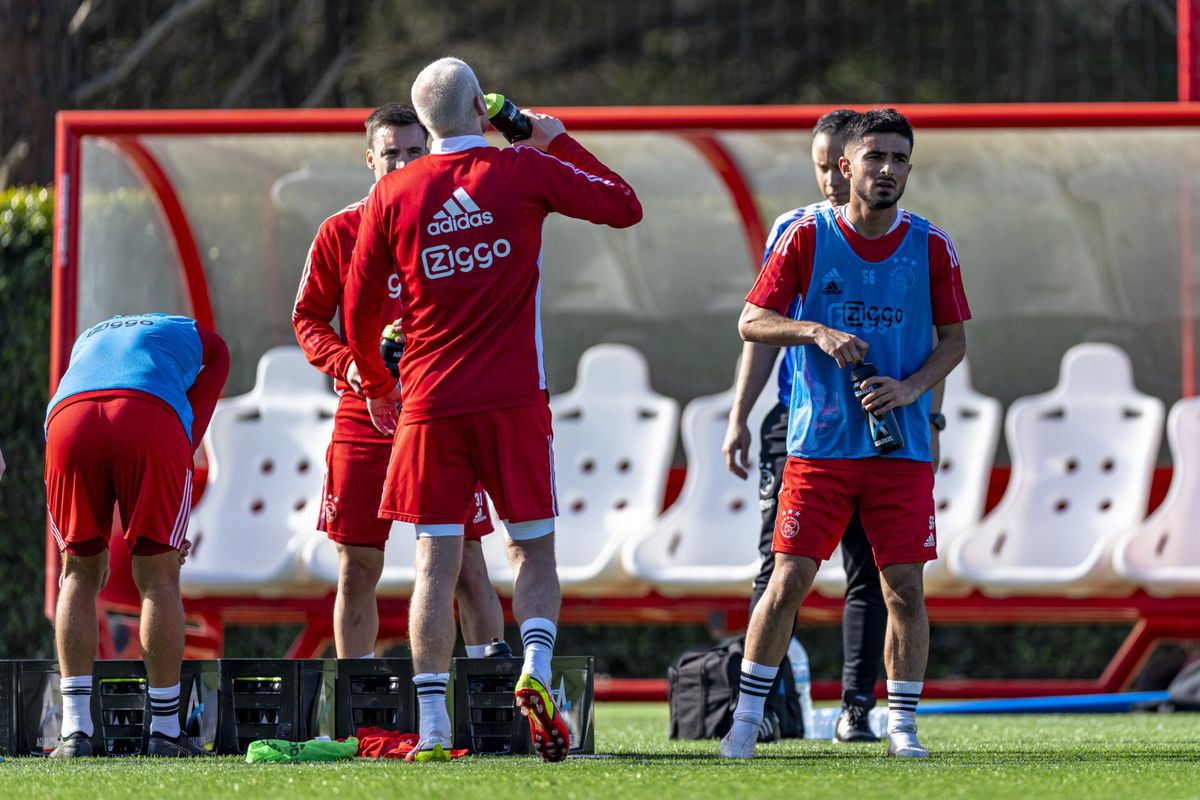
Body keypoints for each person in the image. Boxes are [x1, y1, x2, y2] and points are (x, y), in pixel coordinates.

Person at [343, 57, 642, 761]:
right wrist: (550, 137)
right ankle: (535, 666)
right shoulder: (523, 170)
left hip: (429, 405)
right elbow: (624, 205)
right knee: (531, 550)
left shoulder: (393, 193)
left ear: (423, 125)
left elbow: (357, 311)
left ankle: (436, 730)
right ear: (484, 106)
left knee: (433, 567)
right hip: (512, 402)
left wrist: (377, 388)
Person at [721, 109, 969, 760]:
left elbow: (955, 341)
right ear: (844, 168)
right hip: (819, 444)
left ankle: (900, 726)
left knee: (901, 589)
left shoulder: (932, 246)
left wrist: (912, 392)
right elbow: (753, 321)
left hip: (901, 449)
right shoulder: (805, 236)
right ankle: (745, 724)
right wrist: (817, 332)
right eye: (875, 158)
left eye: (899, 159)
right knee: (789, 578)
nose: (887, 170)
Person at [292, 102, 507, 661]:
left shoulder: (456, 220)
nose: (404, 162)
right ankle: (362, 712)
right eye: (392, 153)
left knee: (464, 563)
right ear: (370, 159)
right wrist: (358, 371)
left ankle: (488, 709)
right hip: (363, 414)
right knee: (358, 567)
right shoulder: (339, 231)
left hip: (440, 413)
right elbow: (308, 319)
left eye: (416, 150)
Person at [44, 313, 230, 757]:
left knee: (77, 575)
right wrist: (182, 446)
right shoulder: (185, 329)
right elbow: (219, 356)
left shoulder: (88, 336)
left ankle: (74, 733)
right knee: (157, 575)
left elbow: (79, 394)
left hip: (68, 422)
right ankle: (165, 731)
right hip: (148, 415)